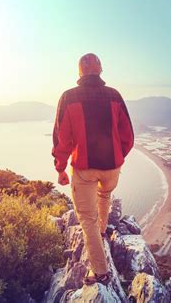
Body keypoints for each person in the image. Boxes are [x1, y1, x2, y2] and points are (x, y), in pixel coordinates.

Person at [51, 53, 134, 285]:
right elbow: (128, 135)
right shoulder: (114, 96)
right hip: (112, 169)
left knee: (86, 218)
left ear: (79, 72)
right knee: (104, 194)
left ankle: (100, 272)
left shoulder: (69, 97)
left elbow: (61, 139)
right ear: (100, 70)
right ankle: (103, 229)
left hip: (85, 170)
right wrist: (117, 157)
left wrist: (60, 169)